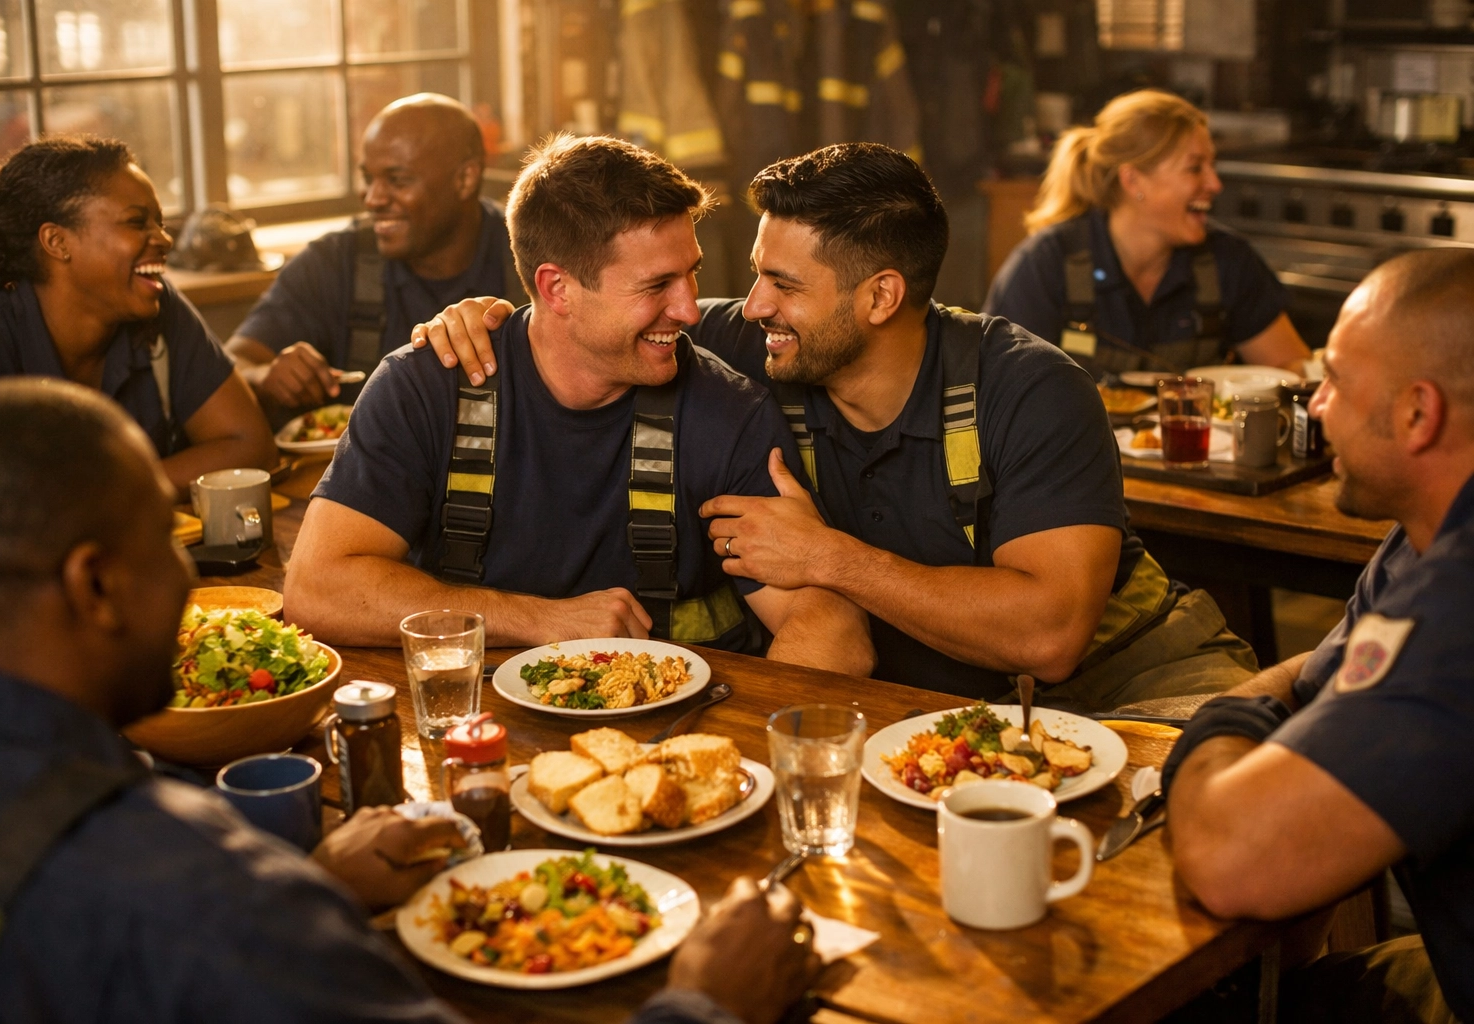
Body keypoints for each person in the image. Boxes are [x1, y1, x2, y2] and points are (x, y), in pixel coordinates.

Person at [0, 378, 822, 1024]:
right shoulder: (194, 896)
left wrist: (309, 886)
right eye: (168, 548)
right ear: (94, 587)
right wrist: (709, 1005)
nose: (188, 581)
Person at [415, 143, 1256, 708]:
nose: (750, 307)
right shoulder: (753, 338)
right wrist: (489, 319)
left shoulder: (1032, 389)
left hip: (1139, 684)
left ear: (880, 296)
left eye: (784, 284)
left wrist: (830, 558)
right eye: (753, 277)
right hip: (940, 718)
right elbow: (599, 321)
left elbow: (1050, 635)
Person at [284, 134, 871, 672]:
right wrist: (544, 623)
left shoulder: (728, 414)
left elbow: (831, 629)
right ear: (556, 288)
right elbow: (317, 590)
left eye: (690, 275)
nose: (690, 310)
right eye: (656, 285)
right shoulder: (427, 387)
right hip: (470, 722)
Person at [1162, 249, 1474, 1024]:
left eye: (1333, 379)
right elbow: (1319, 679)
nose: (1318, 404)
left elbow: (1232, 862)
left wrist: (1216, 721)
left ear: (1416, 413)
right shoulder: (1420, 544)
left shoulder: (1457, 607)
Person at [0, 136, 275, 497]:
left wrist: (105, 497)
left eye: (159, 223)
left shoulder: (159, 306)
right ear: (57, 241)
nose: (164, 239)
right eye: (137, 222)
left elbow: (250, 447)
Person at [226, 94, 521, 419]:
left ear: (465, 179)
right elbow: (236, 360)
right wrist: (265, 375)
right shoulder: (335, 261)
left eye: (398, 180)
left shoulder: (528, 256)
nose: (373, 199)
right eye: (368, 179)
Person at [983, 89, 1311, 378]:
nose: (1215, 184)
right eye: (1195, 168)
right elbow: (999, 397)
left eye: (1212, 166)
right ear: (1133, 181)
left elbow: (1292, 372)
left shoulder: (1228, 261)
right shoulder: (1044, 266)